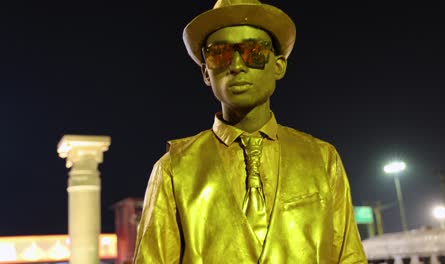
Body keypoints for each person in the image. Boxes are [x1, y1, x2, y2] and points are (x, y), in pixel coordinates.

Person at [133, 0, 367, 263]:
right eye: (219, 53)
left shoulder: (322, 159)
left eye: (253, 51)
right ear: (206, 73)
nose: (236, 65)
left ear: (278, 65)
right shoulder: (174, 169)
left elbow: (349, 256)